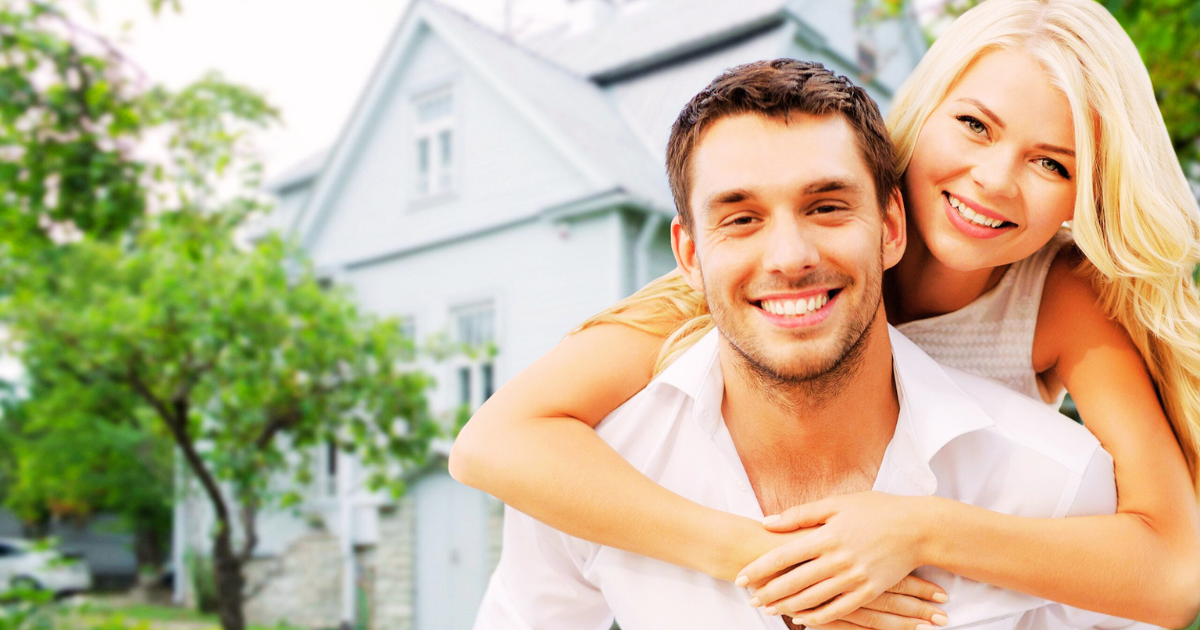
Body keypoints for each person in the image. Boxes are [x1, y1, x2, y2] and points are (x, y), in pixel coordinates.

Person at [451, 0, 1200, 627]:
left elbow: (1170, 571)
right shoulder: (738, 294)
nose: (995, 180)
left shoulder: (1058, 300)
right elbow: (493, 442)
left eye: (1053, 164)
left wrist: (916, 528)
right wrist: (772, 562)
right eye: (974, 125)